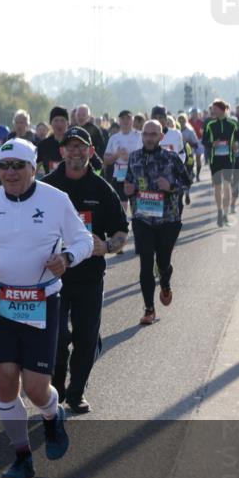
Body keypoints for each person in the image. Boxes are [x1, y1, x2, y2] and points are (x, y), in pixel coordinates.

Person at [0, 138, 93, 478]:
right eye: (4, 166)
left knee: (36, 388)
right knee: (4, 379)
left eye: (18, 165)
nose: (10, 173)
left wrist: (67, 258)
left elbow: (84, 240)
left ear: (34, 167)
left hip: (42, 301)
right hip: (2, 300)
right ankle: (21, 456)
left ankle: (52, 414)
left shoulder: (55, 200)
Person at [42, 127, 129, 413]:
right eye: (71, 147)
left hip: (89, 276)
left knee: (86, 338)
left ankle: (76, 393)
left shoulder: (102, 189)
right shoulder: (46, 188)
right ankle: (55, 392)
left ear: (91, 152)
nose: (76, 152)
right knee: (56, 339)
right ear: (62, 151)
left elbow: (120, 230)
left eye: (82, 147)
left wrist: (107, 246)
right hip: (53, 277)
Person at [124, 121, 191, 326]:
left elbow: (187, 182)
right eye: (146, 134)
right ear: (142, 136)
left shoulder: (171, 158)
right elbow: (127, 181)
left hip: (168, 220)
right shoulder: (134, 157)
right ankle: (149, 309)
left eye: (154, 134)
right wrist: (128, 188)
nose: (149, 137)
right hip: (142, 219)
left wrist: (171, 186)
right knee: (145, 264)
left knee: (162, 262)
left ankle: (165, 279)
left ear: (161, 137)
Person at [202, 99, 239, 227]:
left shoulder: (233, 123)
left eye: (215, 109)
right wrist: (212, 144)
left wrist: (235, 145)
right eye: (212, 109)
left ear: (223, 109)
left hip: (229, 159)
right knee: (218, 187)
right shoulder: (209, 124)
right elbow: (204, 141)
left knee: (227, 185)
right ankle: (219, 211)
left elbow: (238, 139)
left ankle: (225, 214)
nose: (213, 111)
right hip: (215, 160)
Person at [104, 110, 143, 217]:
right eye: (123, 118)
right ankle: (123, 227)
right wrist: (116, 155)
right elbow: (106, 159)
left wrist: (130, 158)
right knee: (122, 205)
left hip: (136, 174)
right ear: (119, 120)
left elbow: (147, 156)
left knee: (137, 206)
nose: (125, 121)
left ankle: (138, 226)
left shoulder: (140, 136)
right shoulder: (114, 138)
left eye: (128, 118)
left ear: (133, 120)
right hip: (119, 174)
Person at [36, 107, 67, 176]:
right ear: (51, 124)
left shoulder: (73, 143)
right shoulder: (43, 145)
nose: (59, 124)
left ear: (67, 123)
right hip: (49, 184)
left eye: (62, 120)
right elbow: (35, 169)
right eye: (56, 120)